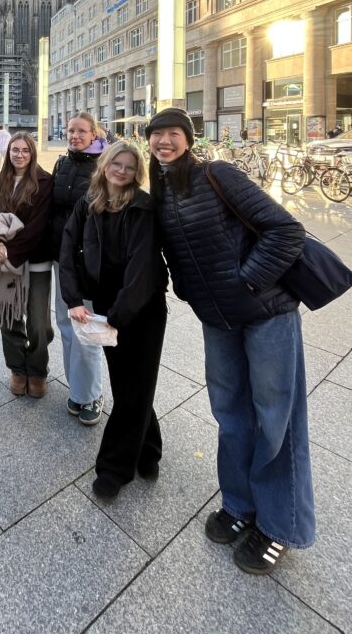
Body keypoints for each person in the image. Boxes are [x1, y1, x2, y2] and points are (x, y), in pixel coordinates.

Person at [145, 107, 312, 575]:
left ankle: (280, 526)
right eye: (157, 135)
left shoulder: (217, 174)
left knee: (276, 418)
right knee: (231, 414)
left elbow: (287, 229)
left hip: (266, 314)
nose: (164, 142)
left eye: (173, 134)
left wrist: (248, 282)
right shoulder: (161, 190)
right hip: (218, 321)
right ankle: (239, 504)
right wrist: (188, 289)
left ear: (188, 139)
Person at [59, 142, 167, 501]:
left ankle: (113, 468)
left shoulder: (143, 206)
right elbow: (67, 249)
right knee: (127, 385)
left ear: (138, 173)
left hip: (142, 308)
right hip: (106, 306)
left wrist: (118, 317)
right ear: (104, 164)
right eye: (116, 164)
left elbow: (142, 267)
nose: (121, 171)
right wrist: (74, 299)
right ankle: (148, 449)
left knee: (137, 383)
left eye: (129, 167)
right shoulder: (88, 203)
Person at [0, 131, 53, 397]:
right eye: (15, 150)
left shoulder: (44, 181)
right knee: (8, 317)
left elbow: (38, 225)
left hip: (34, 261)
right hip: (3, 262)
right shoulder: (0, 180)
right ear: (8, 151)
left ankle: (37, 370)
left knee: (38, 323)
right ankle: (18, 369)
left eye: (25, 150)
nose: (20, 155)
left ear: (32, 153)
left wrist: (10, 251)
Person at [50, 111, 108, 426]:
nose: (74, 135)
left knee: (87, 327)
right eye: (71, 130)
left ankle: (92, 393)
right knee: (66, 324)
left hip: (88, 261)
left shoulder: (104, 165)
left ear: (93, 134)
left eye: (81, 131)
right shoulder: (62, 163)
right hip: (62, 258)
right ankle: (78, 389)